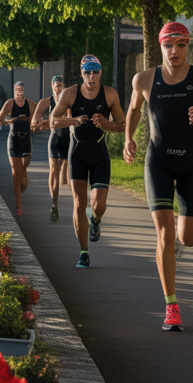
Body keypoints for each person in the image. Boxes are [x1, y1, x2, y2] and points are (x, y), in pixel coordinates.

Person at [123, 22, 193, 331]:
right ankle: (171, 306)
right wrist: (129, 138)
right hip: (157, 162)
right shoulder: (144, 79)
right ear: (161, 46)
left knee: (189, 238)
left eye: (181, 45)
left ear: (188, 46)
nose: (175, 51)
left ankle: (176, 241)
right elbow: (133, 110)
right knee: (165, 234)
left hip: (191, 165)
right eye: (169, 45)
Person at [50, 55, 126, 268]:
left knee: (98, 205)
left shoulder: (109, 94)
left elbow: (123, 125)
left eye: (95, 72)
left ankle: (96, 219)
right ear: (81, 74)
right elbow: (53, 121)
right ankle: (83, 252)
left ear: (100, 73)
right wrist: (72, 120)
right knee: (79, 202)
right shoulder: (70, 93)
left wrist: (106, 125)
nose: (91, 77)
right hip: (78, 153)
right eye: (87, 73)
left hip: (99, 154)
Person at [32, 74, 71, 223]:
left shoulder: (69, 102)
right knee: (53, 170)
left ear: (64, 87)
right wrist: (38, 123)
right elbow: (34, 121)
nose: (58, 90)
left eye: (60, 87)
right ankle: (54, 205)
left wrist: (53, 121)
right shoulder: (46, 102)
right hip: (55, 139)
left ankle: (79, 206)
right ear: (52, 87)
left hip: (69, 139)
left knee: (70, 176)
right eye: (56, 87)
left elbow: (71, 120)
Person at [0, 80, 34, 216]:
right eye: (17, 89)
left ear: (24, 90)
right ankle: (18, 205)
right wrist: (12, 120)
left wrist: (29, 120)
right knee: (15, 171)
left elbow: (37, 118)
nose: (19, 92)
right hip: (13, 139)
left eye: (21, 89)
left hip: (26, 139)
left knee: (23, 171)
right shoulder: (9, 104)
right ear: (14, 91)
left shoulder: (30, 104)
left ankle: (23, 171)